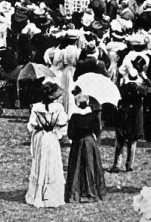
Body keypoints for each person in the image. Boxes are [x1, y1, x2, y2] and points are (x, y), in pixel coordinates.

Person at [25, 78, 68, 207]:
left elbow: (32, 125)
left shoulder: (36, 108)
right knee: (52, 163)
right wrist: (55, 130)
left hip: (41, 137)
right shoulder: (58, 108)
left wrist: (40, 127)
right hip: (52, 138)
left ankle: (38, 193)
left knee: (40, 162)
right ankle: (51, 195)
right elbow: (62, 124)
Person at [65, 92, 107, 202]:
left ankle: (75, 193)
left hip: (78, 143)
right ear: (88, 102)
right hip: (89, 142)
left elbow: (70, 134)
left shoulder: (74, 116)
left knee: (77, 168)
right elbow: (97, 131)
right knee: (91, 167)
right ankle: (92, 192)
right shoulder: (93, 115)